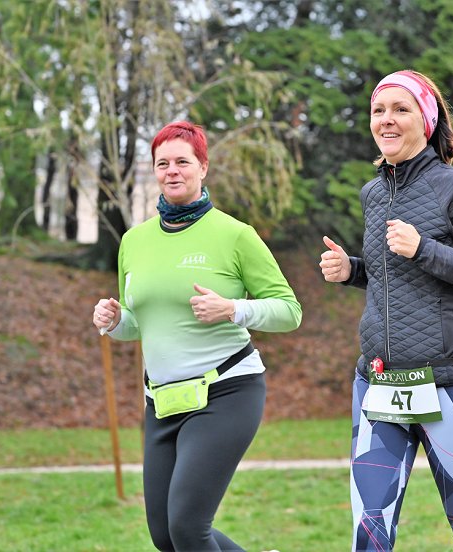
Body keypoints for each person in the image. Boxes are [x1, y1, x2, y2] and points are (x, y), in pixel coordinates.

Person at [320, 70, 453, 551]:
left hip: (451, 385)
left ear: (426, 121)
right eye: (378, 110)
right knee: (370, 530)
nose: (386, 119)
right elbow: (392, 276)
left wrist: (425, 248)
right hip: (379, 384)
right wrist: (352, 270)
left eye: (400, 109)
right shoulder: (373, 193)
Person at [93, 121, 302, 551]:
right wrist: (114, 321)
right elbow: (140, 323)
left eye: (182, 162)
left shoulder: (235, 235)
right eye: (162, 163)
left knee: (188, 528)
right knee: (165, 536)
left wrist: (234, 309)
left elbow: (289, 311)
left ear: (203, 167)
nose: (172, 171)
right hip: (162, 401)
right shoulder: (134, 241)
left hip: (226, 393)